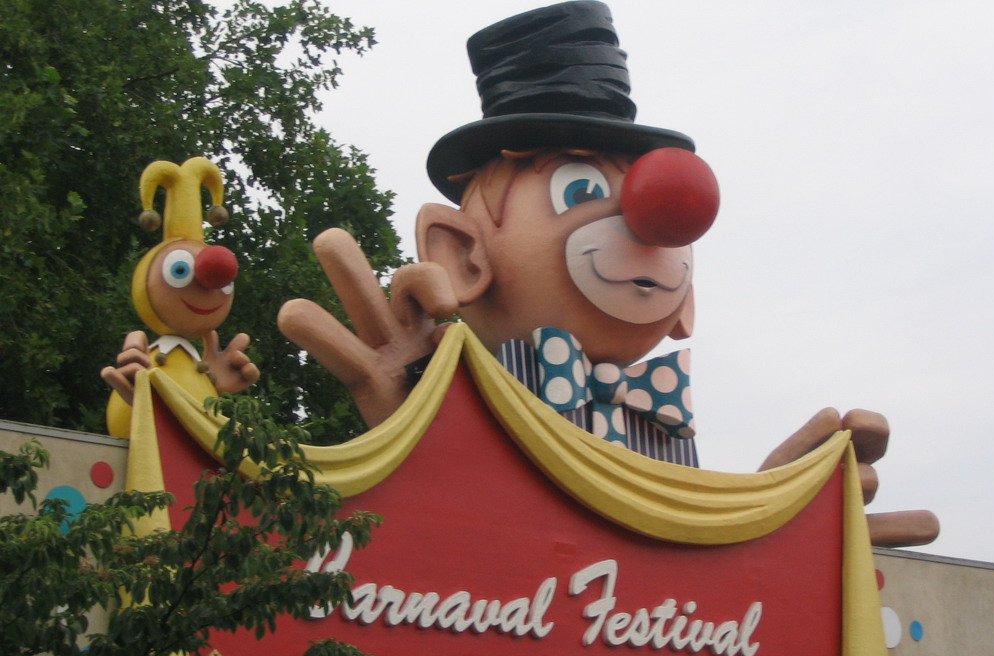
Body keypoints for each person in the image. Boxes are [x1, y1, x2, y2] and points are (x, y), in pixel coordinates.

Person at [278, 2, 937, 542]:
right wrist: (408, 430)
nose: (647, 222)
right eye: (582, 189)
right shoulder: (461, 405)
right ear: (462, 255)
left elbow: (675, 582)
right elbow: (451, 551)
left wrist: (768, 529)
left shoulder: (661, 422)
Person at [102, 158, 259, 438]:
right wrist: (134, 395)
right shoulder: (143, 354)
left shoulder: (195, 361)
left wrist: (212, 382)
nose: (206, 287)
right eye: (180, 271)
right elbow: (124, 422)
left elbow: (205, 423)